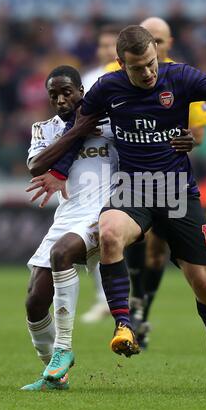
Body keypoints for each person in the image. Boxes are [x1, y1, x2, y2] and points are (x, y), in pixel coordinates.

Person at [34, 26, 206, 368]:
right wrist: (60, 171)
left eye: (151, 63)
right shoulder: (107, 88)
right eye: (138, 67)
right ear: (120, 64)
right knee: (109, 230)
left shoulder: (179, 77)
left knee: (204, 283)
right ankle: (124, 325)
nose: (148, 72)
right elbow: (78, 130)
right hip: (133, 188)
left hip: (176, 191)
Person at [22, 65, 118, 391]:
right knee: (35, 300)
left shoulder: (108, 122)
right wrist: (77, 131)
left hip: (103, 213)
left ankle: (64, 347)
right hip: (66, 216)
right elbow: (36, 165)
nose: (61, 100)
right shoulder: (44, 129)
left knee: (62, 253)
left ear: (80, 91)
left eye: (67, 92)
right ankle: (55, 374)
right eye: (54, 95)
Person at [125, 17, 206, 349]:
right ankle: (133, 306)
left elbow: (199, 131)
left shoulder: (180, 77)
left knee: (158, 251)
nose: (156, 47)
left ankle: (141, 313)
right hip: (129, 177)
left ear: (169, 42)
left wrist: (180, 138)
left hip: (170, 179)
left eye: (160, 41)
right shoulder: (116, 73)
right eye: (151, 40)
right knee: (133, 235)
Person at [80, 24, 122, 323]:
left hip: (128, 163)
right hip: (95, 166)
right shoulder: (88, 79)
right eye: (103, 45)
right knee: (99, 231)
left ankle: (127, 300)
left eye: (112, 45)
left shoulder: (133, 77)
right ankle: (106, 298)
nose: (107, 50)